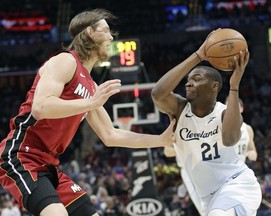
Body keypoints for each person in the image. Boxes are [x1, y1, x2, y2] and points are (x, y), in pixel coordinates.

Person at [0, 9, 175, 216]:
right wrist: (90, 103)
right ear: (90, 32)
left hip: (49, 164)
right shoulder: (65, 61)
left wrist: (161, 140)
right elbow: (41, 107)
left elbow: (111, 135)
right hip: (21, 154)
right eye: (107, 31)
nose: (112, 36)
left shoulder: (91, 86)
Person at [152, 29, 262, 216]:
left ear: (214, 86)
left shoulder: (224, 113)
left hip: (237, 186)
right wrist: (198, 55)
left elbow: (229, 139)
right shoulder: (180, 109)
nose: (188, 84)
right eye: (188, 80)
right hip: (209, 196)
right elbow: (158, 93)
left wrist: (234, 86)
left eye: (196, 79)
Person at [225, 98, 258, 163]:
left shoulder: (247, 129)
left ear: (241, 109)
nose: (232, 109)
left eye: (235, 106)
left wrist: (252, 153)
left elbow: (252, 150)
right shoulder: (219, 128)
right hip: (223, 169)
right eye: (229, 107)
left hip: (240, 169)